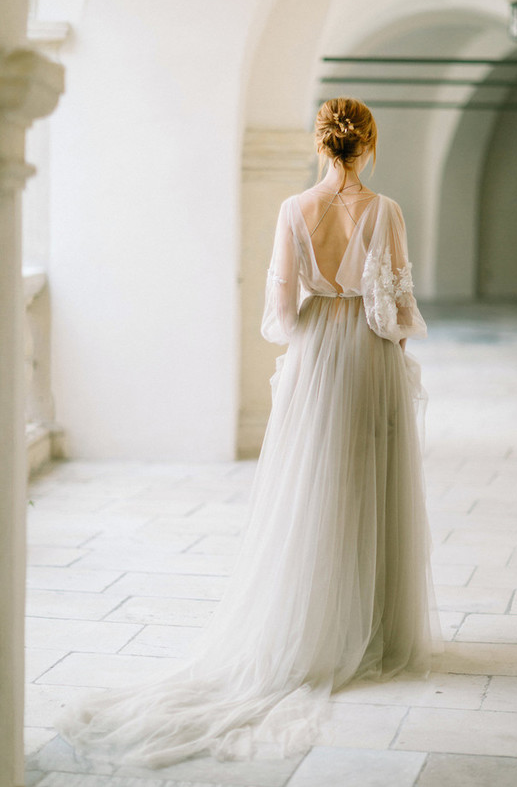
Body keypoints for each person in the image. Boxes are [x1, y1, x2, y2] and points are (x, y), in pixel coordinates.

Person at [55, 96, 441, 769]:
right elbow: (399, 308)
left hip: (317, 357)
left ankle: (313, 619)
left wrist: (317, 341)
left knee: (314, 487)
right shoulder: (387, 212)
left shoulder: (295, 210)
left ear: (322, 145)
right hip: (372, 362)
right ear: (367, 145)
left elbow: (282, 311)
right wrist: (380, 327)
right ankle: (371, 627)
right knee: (372, 480)